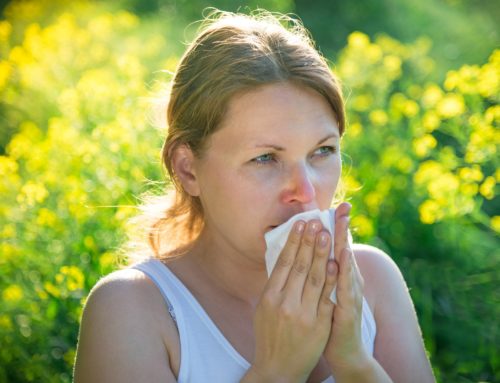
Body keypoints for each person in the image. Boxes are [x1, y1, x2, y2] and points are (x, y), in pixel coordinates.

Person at [73, 10, 435, 383]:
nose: (306, 192)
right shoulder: (134, 311)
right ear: (187, 169)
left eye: (322, 151)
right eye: (265, 158)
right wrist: (276, 371)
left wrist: (355, 363)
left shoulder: (373, 279)